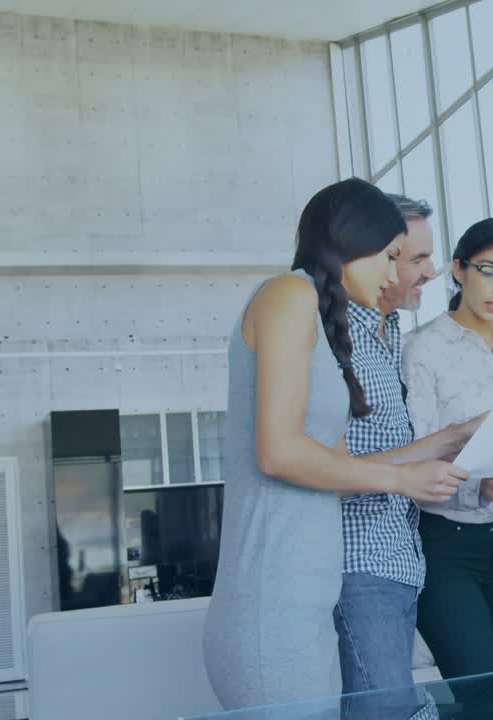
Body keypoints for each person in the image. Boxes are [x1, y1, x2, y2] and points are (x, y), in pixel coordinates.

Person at [202, 178, 468, 710]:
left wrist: (456, 439)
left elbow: (340, 473)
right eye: (390, 257)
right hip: (270, 598)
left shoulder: (328, 332)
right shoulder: (288, 293)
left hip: (310, 595)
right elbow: (277, 452)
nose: (395, 275)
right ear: (353, 241)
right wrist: (402, 479)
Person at [335, 193, 483, 699]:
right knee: (386, 709)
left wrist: (461, 440)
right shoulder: (331, 340)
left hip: (401, 560)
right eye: (418, 259)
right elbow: (319, 468)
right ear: (381, 255)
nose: (431, 271)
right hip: (358, 564)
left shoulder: (389, 332)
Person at [403, 218, 493, 719]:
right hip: (446, 546)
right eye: (489, 271)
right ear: (459, 270)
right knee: (482, 694)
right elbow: (416, 456)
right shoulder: (422, 349)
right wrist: (478, 486)